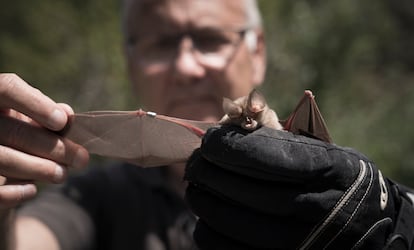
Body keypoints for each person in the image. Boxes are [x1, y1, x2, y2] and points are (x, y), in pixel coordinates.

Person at [0, 0, 413, 249]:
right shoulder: (94, 201)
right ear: (130, 63)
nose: (185, 67)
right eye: (161, 43)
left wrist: (401, 226)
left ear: (258, 52)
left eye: (211, 39)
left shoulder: (323, 172)